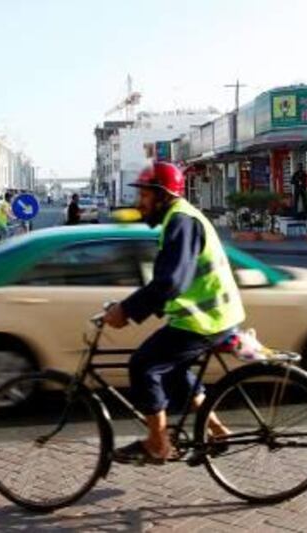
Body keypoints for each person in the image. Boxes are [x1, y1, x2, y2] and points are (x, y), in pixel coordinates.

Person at [103, 162, 246, 464]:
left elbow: (170, 281)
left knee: (143, 366)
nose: (139, 203)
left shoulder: (181, 220)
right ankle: (219, 432)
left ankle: (157, 443)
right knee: (174, 371)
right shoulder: (176, 218)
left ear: (161, 195)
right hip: (204, 316)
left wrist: (127, 310)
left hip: (205, 319)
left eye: (144, 195)